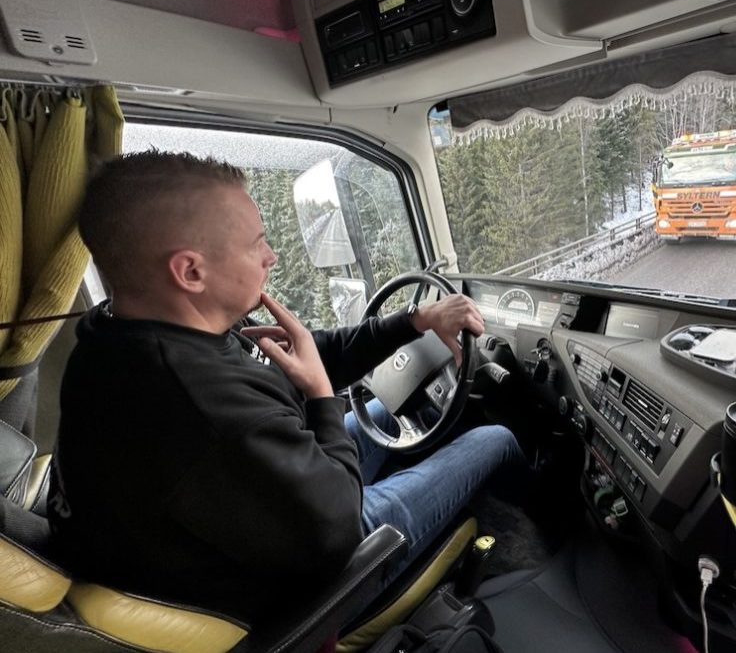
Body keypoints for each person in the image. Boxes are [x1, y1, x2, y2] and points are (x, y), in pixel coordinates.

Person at [47, 150, 522, 623]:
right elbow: (339, 528)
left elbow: (302, 354)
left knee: (381, 413)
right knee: (494, 438)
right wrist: (319, 394)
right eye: (256, 244)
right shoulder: (198, 404)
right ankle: (546, 549)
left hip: (247, 514)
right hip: (304, 582)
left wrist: (415, 320)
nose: (271, 256)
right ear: (191, 271)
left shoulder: (125, 333)